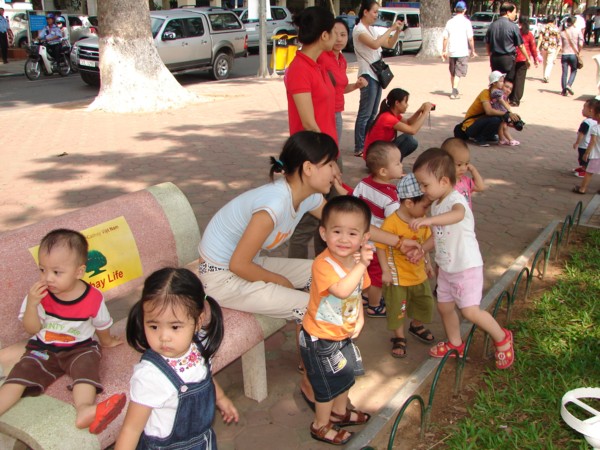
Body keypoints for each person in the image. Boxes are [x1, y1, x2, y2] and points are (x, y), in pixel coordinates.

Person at [197, 131, 418, 405]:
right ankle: (312, 379)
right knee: (312, 307)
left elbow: (351, 226)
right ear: (309, 168)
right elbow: (238, 264)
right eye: (331, 163)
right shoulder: (273, 205)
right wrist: (280, 281)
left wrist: (400, 242)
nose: (336, 171)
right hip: (221, 278)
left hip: (246, 265)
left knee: (322, 271)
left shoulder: (307, 197)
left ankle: (309, 362)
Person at [0, 229, 126, 434]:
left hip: (80, 348)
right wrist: (32, 304)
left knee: (86, 370)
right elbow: (32, 329)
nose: (47, 278)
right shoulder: (39, 295)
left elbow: (102, 324)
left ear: (79, 272)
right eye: (42, 270)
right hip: (42, 349)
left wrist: (107, 341)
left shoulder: (93, 297)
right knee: (19, 375)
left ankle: (84, 410)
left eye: (56, 272)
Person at [410, 149, 515, 369]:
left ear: (444, 181)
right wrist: (422, 249)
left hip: (466, 267)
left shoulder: (456, 200)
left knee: (470, 311)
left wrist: (429, 221)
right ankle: (455, 343)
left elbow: (457, 215)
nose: (422, 189)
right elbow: (438, 236)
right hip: (447, 268)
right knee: (444, 307)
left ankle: (502, 338)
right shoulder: (437, 204)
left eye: (425, 184)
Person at [115, 268, 238, 449]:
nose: (164, 337)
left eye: (174, 327)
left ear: (198, 322)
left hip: (202, 442)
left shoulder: (198, 347)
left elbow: (204, 374)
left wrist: (220, 398)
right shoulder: (150, 376)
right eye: (154, 326)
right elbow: (131, 429)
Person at [300, 195, 373, 446]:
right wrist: (362, 265)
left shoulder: (356, 262)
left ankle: (340, 413)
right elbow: (342, 290)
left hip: (343, 333)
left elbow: (357, 291)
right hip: (320, 338)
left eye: (352, 233)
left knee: (346, 375)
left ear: (364, 238)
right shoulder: (323, 264)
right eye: (337, 231)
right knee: (326, 386)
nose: (343, 239)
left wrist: (360, 318)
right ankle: (320, 425)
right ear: (323, 233)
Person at [285, 6, 338, 260]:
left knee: (327, 219)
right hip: (313, 158)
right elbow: (308, 122)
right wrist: (327, 162)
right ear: (324, 35)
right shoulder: (299, 69)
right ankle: (294, 275)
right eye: (334, 32)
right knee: (306, 224)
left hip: (326, 154)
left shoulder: (319, 63)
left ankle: (323, 269)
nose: (338, 37)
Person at [376, 174, 435, 358]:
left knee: (425, 302)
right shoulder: (391, 223)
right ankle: (399, 337)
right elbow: (380, 247)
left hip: (418, 274)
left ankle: (416, 325)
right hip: (397, 278)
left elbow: (425, 242)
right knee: (397, 309)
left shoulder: (422, 220)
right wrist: (385, 271)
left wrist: (428, 263)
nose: (426, 211)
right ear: (409, 203)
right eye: (424, 206)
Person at [352, 141, 404, 318]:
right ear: (383, 171)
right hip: (378, 246)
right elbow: (396, 223)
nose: (401, 165)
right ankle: (374, 306)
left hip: (361, 240)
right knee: (377, 277)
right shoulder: (390, 197)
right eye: (397, 163)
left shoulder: (364, 183)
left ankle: (365, 297)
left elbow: (354, 202)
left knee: (364, 270)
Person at [353, 0, 404, 157]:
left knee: (373, 113)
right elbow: (375, 45)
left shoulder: (372, 29)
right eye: (374, 12)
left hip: (376, 75)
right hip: (367, 74)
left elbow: (389, 44)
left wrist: (397, 31)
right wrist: (391, 28)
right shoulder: (359, 30)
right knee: (365, 113)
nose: (376, 15)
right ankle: (359, 146)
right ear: (365, 12)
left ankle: (367, 144)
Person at [317, 18, 368, 144]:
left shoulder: (342, 60)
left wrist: (356, 85)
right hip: (323, 112)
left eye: (343, 35)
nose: (339, 39)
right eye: (335, 34)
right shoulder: (321, 57)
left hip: (337, 112)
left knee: (334, 149)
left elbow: (340, 89)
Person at [363, 88, 434, 161]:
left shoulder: (392, 114)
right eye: (405, 102)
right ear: (397, 103)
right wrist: (425, 112)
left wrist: (419, 111)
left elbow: (408, 122)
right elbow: (413, 130)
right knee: (409, 139)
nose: (407, 105)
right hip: (374, 157)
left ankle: (393, 164)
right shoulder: (387, 117)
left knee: (411, 141)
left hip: (378, 152)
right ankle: (393, 164)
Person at [460, 70, 520, 147]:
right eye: (501, 81)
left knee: (501, 120)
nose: (503, 84)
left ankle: (488, 135)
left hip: (481, 122)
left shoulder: (501, 96)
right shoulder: (485, 93)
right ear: (494, 83)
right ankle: (480, 138)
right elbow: (489, 111)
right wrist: (507, 114)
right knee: (497, 119)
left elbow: (505, 112)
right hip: (470, 126)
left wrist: (513, 120)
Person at [485, 2, 531, 82]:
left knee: (496, 82)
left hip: (495, 59)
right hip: (508, 59)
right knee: (507, 83)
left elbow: (487, 43)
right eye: (514, 12)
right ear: (508, 12)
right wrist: (527, 58)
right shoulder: (513, 26)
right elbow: (520, 45)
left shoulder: (492, 25)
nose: (515, 14)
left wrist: (490, 55)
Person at [442, 1, 477, 99]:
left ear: (455, 9)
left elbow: (445, 37)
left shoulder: (450, 22)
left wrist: (444, 50)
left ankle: (454, 89)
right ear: (464, 10)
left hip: (452, 51)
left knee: (453, 72)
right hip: (462, 51)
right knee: (459, 72)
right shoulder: (466, 22)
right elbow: (470, 38)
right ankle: (454, 91)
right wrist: (473, 50)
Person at [441, 137, 486, 209]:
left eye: (466, 163)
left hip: (466, 216)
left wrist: (473, 170)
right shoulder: (443, 183)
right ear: (445, 163)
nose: (464, 168)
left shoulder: (465, 181)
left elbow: (480, 187)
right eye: (459, 164)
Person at [509, 16, 538, 107]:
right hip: (524, 58)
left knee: (511, 78)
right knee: (520, 80)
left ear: (519, 22)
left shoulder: (516, 32)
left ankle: (510, 96)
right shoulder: (529, 34)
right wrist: (535, 59)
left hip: (513, 57)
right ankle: (516, 99)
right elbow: (533, 47)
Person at [573, 100, 600, 194]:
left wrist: (587, 153)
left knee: (589, 173)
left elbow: (592, 142)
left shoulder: (595, 128)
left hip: (596, 155)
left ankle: (582, 188)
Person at [489, 77, 520, 146]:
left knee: (505, 126)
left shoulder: (505, 97)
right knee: (503, 126)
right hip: (498, 115)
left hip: (502, 115)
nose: (508, 90)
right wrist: (510, 112)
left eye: (510, 89)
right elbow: (502, 103)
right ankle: (507, 139)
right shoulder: (498, 94)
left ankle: (504, 139)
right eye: (506, 87)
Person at [559, 16, 583, 97]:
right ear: (574, 22)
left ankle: (564, 90)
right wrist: (579, 51)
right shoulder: (578, 31)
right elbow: (580, 43)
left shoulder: (563, 32)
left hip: (564, 54)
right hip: (573, 54)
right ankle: (569, 84)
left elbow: (560, 44)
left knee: (564, 72)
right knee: (574, 70)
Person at [537, 14, 561, 83]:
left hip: (544, 46)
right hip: (552, 47)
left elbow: (540, 38)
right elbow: (558, 38)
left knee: (545, 62)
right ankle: (546, 76)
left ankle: (545, 75)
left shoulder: (543, 27)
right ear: (554, 20)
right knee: (549, 62)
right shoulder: (556, 28)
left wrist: (537, 47)